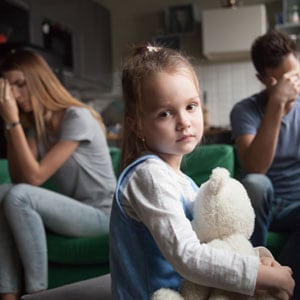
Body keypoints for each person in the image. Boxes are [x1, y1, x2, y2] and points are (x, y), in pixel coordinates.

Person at [109, 44, 295, 300]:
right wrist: (262, 276)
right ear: (137, 125)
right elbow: (189, 256)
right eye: (165, 113)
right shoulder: (148, 176)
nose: (184, 121)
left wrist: (259, 259)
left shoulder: (183, 182)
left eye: (191, 106)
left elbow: (211, 244)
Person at [0, 49, 116, 300]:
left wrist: (12, 122)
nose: (16, 95)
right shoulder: (37, 130)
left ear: (40, 80)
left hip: (103, 214)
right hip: (75, 212)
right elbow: (18, 178)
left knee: (19, 195)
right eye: (10, 88)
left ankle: (37, 294)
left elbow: (34, 179)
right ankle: (7, 295)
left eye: (21, 84)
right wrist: (11, 125)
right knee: (4, 192)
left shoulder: (77, 117)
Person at [230, 29, 300, 300]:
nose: (292, 86)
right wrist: (276, 104)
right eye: (283, 81)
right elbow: (256, 167)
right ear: (263, 80)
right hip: (265, 204)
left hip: (297, 206)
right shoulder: (245, 110)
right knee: (254, 183)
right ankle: (255, 275)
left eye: (295, 76)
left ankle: (279, 287)